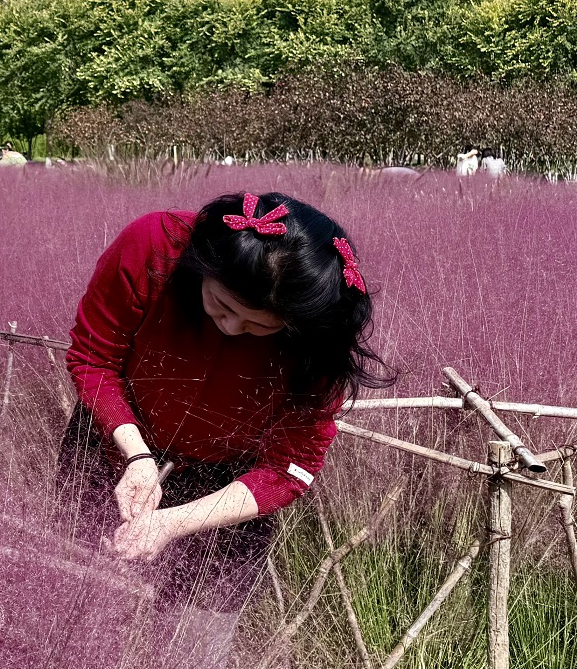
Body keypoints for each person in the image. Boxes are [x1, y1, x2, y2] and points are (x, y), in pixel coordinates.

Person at [60, 190, 384, 635]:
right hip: (110, 446)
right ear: (203, 266)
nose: (231, 328)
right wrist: (136, 455)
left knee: (196, 640)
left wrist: (172, 522)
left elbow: (289, 468)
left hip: (227, 492)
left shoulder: (322, 333)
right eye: (223, 305)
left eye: (257, 325)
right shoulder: (154, 247)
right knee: (73, 611)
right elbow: (94, 358)